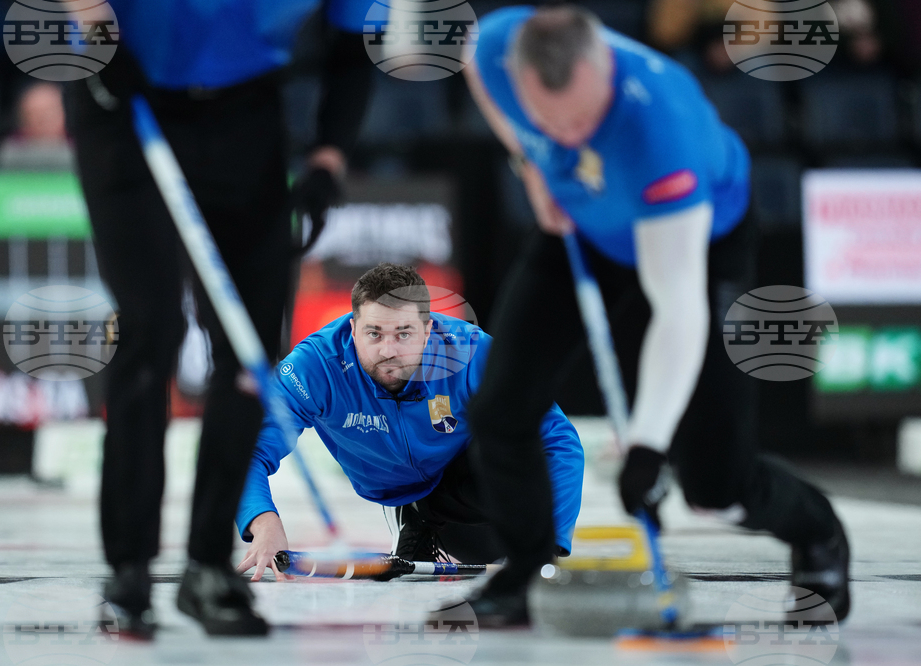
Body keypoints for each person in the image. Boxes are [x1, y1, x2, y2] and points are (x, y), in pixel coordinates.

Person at [460, 4, 851, 626]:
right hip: (584, 224)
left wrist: (646, 446)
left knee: (715, 486)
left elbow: (678, 309)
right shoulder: (501, 47)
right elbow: (475, 64)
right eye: (549, 124)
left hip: (691, 242)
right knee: (500, 409)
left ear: (603, 70)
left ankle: (817, 530)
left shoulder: (662, 127)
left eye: (581, 121)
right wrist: (529, 162)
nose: (569, 138)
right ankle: (526, 574)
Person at [65, 0, 376, 638]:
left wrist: (328, 160)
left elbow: (353, 49)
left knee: (250, 351)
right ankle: (129, 569)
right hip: (123, 91)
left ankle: (208, 565)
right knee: (149, 330)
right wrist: (97, 26)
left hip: (245, 109)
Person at [234, 263, 584, 582]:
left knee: (499, 521)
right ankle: (413, 513)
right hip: (392, 488)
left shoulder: (472, 352)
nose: (388, 350)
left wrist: (549, 545)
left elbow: (557, 439)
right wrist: (263, 522)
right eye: (374, 334)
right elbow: (247, 448)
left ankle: (431, 516)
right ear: (353, 328)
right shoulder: (315, 366)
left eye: (403, 334)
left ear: (428, 330)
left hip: (473, 479)